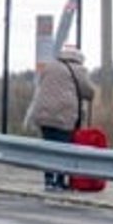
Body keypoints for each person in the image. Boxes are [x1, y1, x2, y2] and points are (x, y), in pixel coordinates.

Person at [27, 45, 95, 191]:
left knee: (48, 147)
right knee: (63, 149)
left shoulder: (50, 66)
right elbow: (89, 92)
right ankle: (59, 181)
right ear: (79, 59)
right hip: (63, 115)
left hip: (43, 114)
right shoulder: (78, 69)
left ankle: (49, 180)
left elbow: (42, 84)